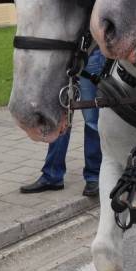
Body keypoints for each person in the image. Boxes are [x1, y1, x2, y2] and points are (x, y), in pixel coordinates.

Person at [19, 48, 103, 198]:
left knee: (92, 120)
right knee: (60, 118)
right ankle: (52, 175)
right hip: (64, 57)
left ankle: (94, 176)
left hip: (90, 56)